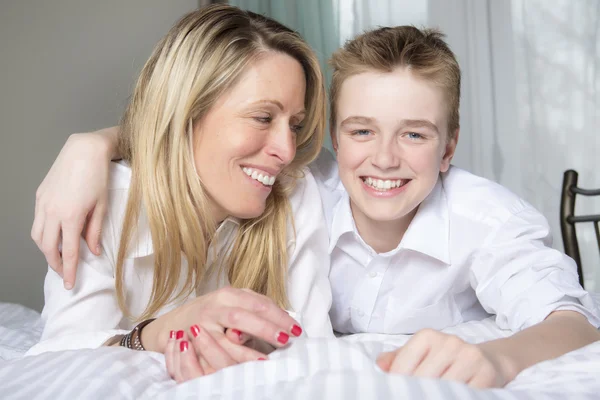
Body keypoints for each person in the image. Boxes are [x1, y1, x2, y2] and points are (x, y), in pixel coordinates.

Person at [32, 25, 600, 388]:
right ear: (336, 135)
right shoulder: (296, 185)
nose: (383, 159)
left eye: (416, 136)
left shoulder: (481, 217)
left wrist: (501, 360)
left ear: (448, 147)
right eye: (359, 131)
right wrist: (92, 145)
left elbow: (573, 321)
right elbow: (185, 136)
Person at [26, 4, 335, 383]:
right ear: (188, 111)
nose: (287, 151)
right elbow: (60, 356)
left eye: (296, 125)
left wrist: (91, 143)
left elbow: (317, 348)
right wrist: (153, 335)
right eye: (263, 118)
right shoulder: (107, 203)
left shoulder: (295, 194)